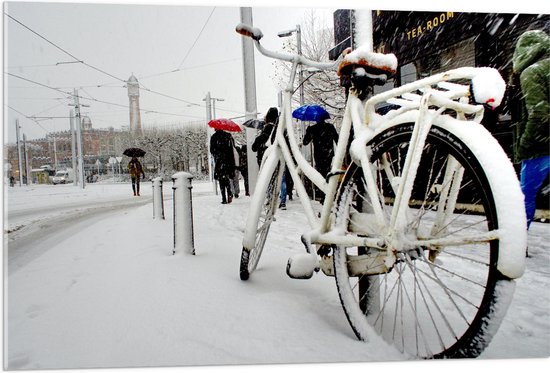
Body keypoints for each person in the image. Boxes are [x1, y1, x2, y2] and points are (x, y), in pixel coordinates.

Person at [511, 29, 550, 230]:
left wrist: (525, 143)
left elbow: (538, 112)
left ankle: (518, 241)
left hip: (540, 149)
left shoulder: (532, 72)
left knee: (525, 196)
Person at [302, 116, 339, 202]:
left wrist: (308, 131)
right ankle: (328, 193)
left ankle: (323, 194)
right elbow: (337, 140)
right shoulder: (330, 127)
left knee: (320, 174)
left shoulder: (313, 129)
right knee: (327, 173)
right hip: (328, 154)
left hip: (319, 155)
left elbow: (305, 142)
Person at [210, 129, 236, 204]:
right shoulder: (228, 136)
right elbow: (231, 149)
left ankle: (224, 198)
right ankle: (229, 192)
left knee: (221, 180)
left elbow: (212, 150)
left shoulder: (214, 137)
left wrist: (217, 155)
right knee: (227, 178)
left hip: (219, 161)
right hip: (228, 160)